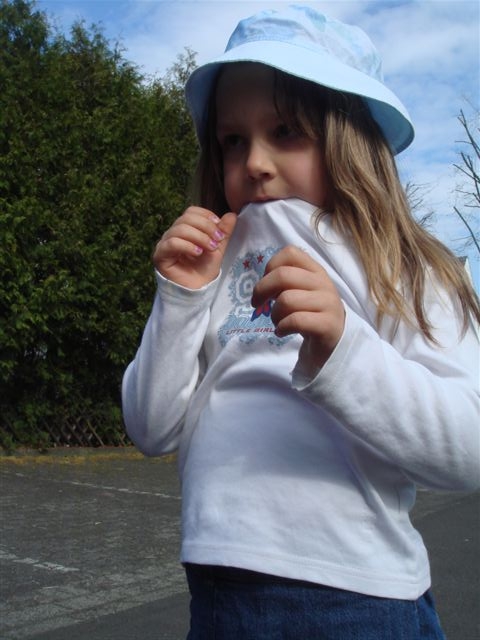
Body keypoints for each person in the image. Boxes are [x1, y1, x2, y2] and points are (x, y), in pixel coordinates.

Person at [122, 6, 480, 639]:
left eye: (286, 131)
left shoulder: (402, 265)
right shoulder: (215, 264)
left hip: (360, 603)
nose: (255, 162)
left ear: (350, 141)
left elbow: (468, 449)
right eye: (233, 141)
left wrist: (346, 348)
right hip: (218, 599)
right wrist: (179, 298)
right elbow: (151, 428)